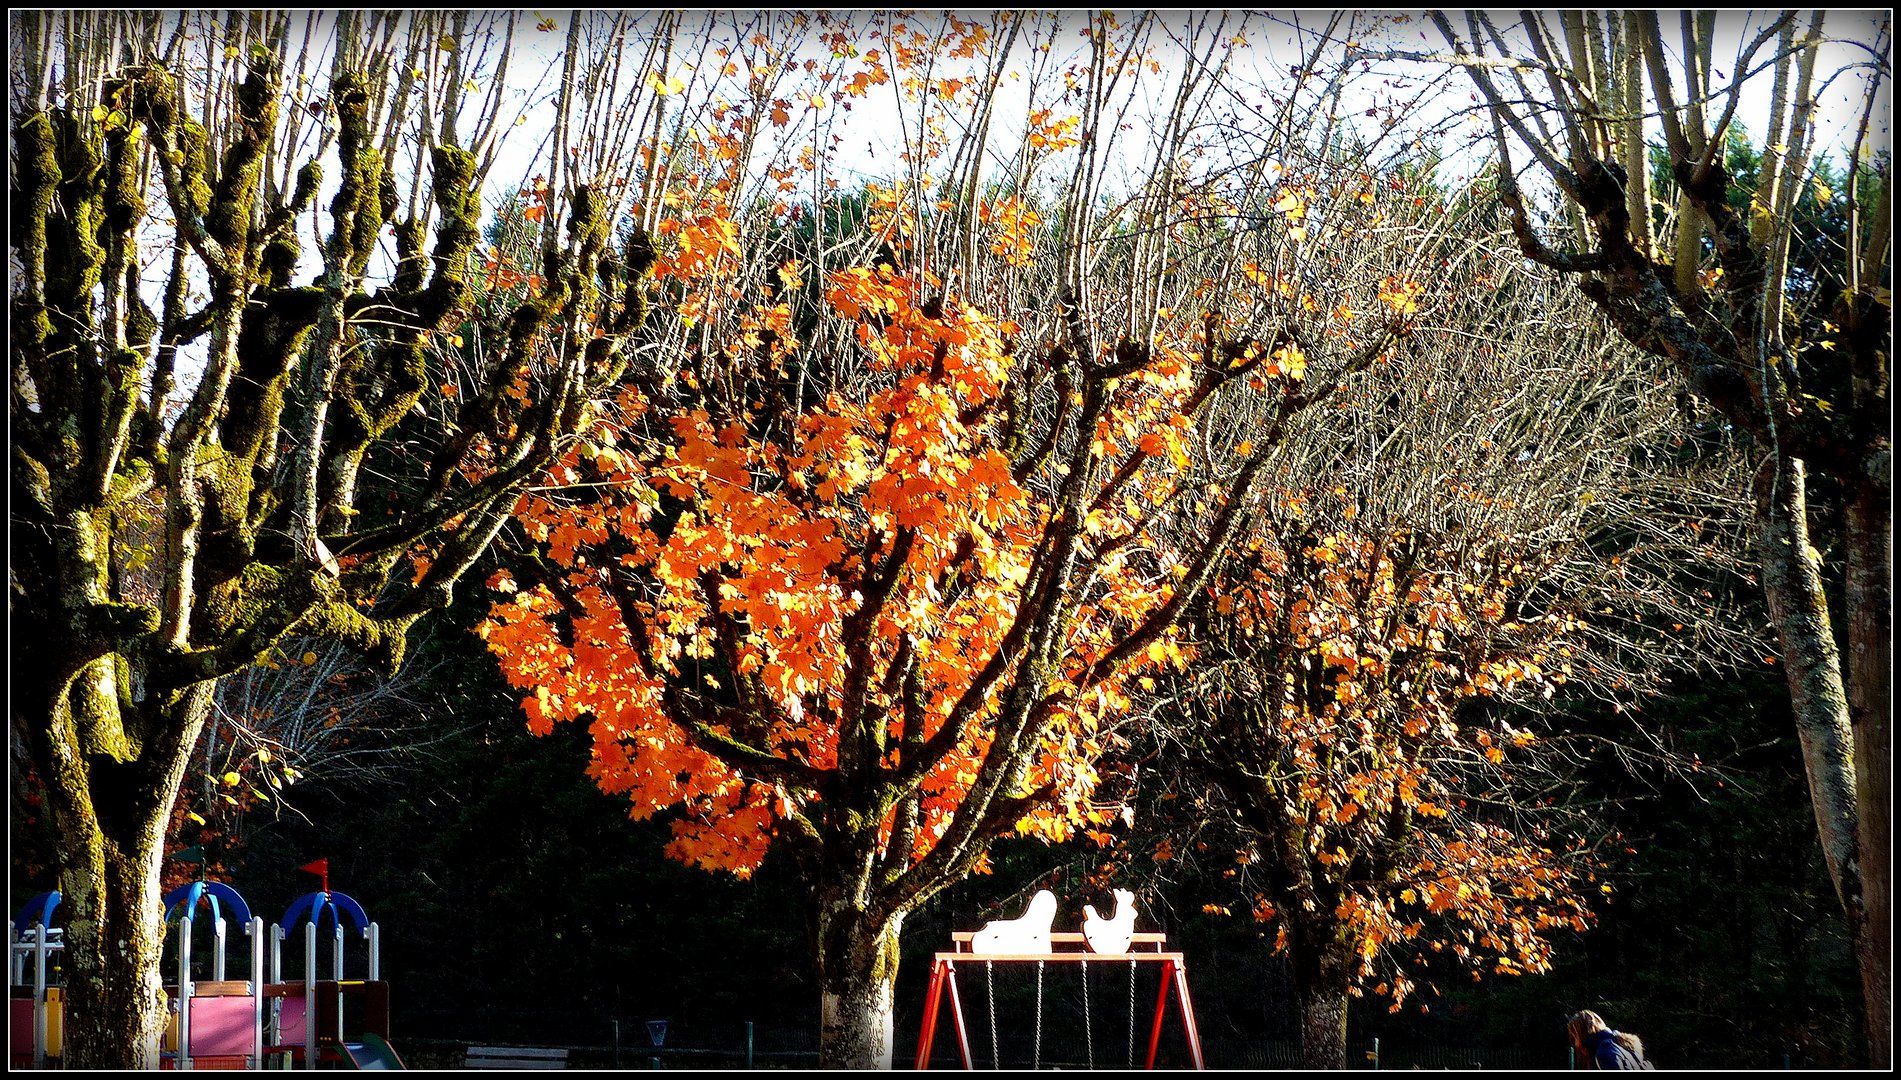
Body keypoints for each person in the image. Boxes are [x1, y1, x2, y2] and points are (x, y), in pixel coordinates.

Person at [1567, 1010, 1648, 1069]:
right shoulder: (1621, 1046)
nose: (1575, 1044)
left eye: (1574, 1038)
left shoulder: (1605, 1053)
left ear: (1581, 1035)